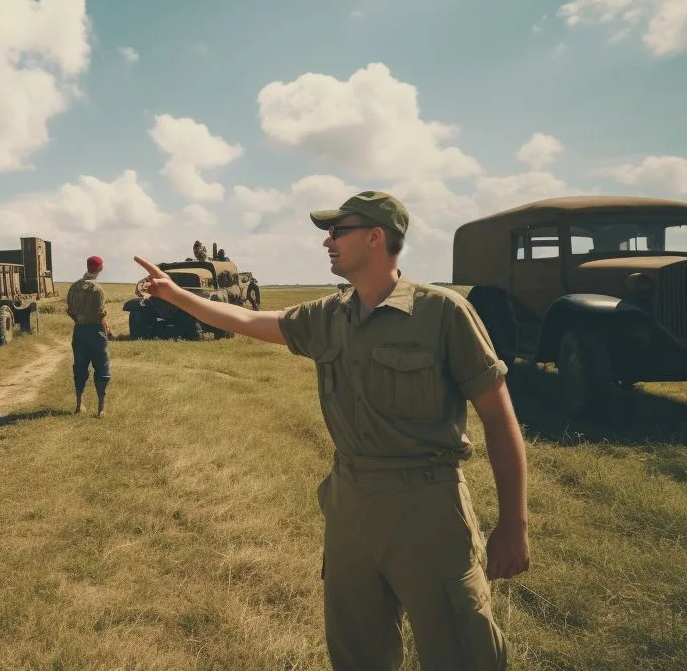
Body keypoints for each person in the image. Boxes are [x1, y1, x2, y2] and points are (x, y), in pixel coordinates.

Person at [132, 191, 529, 670]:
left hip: (427, 506)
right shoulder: (328, 315)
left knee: (462, 653)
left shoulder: (442, 313)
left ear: (376, 238)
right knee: (357, 653)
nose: (327, 241)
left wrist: (513, 524)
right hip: (350, 506)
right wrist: (175, 294)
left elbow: (498, 416)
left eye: (339, 231)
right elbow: (248, 319)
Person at [65, 255, 111, 417]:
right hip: (96, 332)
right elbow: (100, 313)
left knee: (79, 367)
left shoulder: (74, 287)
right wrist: (105, 324)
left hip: (80, 331)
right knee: (102, 368)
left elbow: (69, 309)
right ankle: (101, 409)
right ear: (100, 268)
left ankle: (79, 405)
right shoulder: (97, 290)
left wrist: (79, 320)